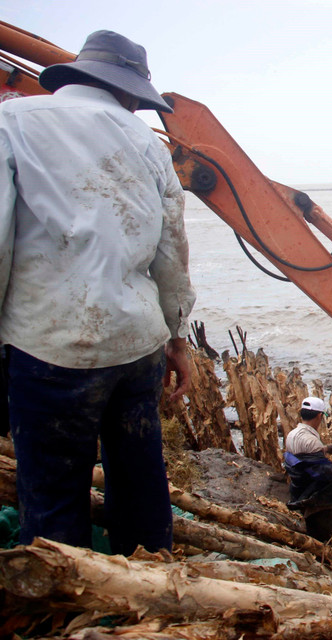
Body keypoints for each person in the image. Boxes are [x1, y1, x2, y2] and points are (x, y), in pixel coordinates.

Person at [0, 30, 196, 555]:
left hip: (50, 348)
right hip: (136, 347)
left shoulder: (12, 122)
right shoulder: (147, 147)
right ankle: (155, 583)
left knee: (53, 492)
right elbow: (172, 255)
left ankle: (63, 601)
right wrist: (177, 341)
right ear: (129, 93)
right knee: (140, 481)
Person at [284, 396, 332, 545]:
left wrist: (325, 449)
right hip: (315, 498)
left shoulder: (292, 435)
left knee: (315, 535)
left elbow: (303, 460)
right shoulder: (311, 441)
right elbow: (323, 473)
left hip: (299, 492)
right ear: (319, 416)